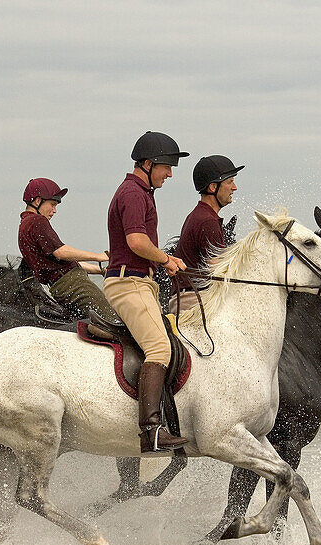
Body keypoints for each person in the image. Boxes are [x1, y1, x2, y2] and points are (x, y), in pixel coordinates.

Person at [103, 131, 190, 453]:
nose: (170, 174)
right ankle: (151, 431)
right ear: (149, 164)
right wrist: (167, 258)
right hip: (130, 283)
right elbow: (136, 242)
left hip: (140, 281)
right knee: (159, 351)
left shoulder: (139, 192)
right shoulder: (134, 193)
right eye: (167, 167)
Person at [17, 177, 116, 320]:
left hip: (61, 286)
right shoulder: (37, 221)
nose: (54, 210)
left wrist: (100, 270)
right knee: (112, 319)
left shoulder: (25, 225)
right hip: (73, 284)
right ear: (37, 201)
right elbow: (61, 252)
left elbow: (60, 263)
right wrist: (99, 256)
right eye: (52, 204)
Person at [169, 155, 243, 313]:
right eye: (230, 182)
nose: (234, 187)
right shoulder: (207, 221)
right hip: (193, 301)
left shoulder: (201, 215)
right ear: (212, 187)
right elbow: (219, 273)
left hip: (191, 297)